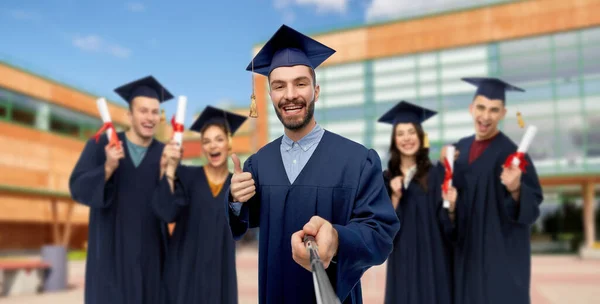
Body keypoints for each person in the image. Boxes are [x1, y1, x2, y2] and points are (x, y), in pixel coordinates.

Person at [226, 24, 400, 304]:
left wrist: (339, 238)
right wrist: (235, 198)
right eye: (279, 86)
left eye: (300, 83)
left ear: (316, 91)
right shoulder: (258, 164)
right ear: (270, 95)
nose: (290, 94)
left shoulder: (356, 160)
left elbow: (380, 234)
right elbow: (239, 226)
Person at [69, 76, 174, 304]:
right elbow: (77, 187)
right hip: (110, 260)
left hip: (151, 262)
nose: (150, 117)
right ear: (129, 115)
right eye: (143, 111)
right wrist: (107, 168)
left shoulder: (166, 154)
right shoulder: (101, 146)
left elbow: (173, 208)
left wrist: (169, 173)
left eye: (155, 112)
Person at [442, 77, 544, 304]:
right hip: (465, 259)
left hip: (500, 263)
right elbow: (447, 203)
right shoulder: (459, 150)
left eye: (493, 110)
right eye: (481, 107)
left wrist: (516, 189)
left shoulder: (513, 155)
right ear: (471, 109)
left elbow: (532, 209)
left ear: (503, 113)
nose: (485, 116)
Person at [151, 105, 247, 304]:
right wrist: (169, 169)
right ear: (202, 147)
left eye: (219, 139)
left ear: (228, 144)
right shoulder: (186, 175)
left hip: (219, 272)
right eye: (207, 141)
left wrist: (237, 199)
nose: (213, 146)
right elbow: (167, 212)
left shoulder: (236, 185)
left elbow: (242, 226)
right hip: (184, 271)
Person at [379, 101, 455, 304]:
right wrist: (394, 197)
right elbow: (382, 231)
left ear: (421, 137)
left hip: (434, 260)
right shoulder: (386, 179)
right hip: (402, 261)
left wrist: (452, 206)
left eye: (411, 132)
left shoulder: (436, 174)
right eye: (400, 133)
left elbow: (447, 226)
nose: (406, 138)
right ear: (394, 140)